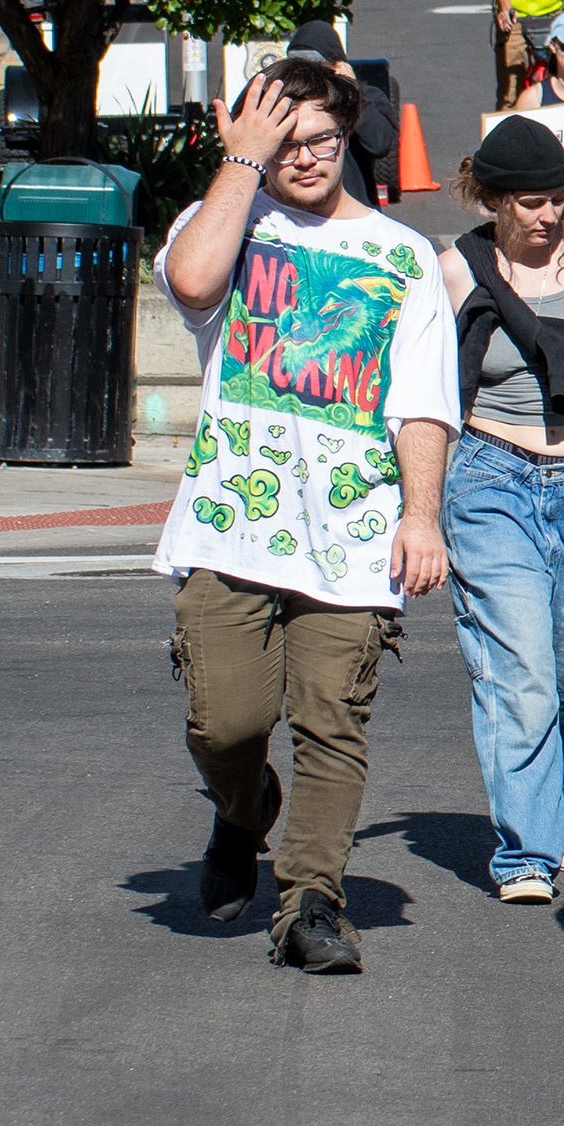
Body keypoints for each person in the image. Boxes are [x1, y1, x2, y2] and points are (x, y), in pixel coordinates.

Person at [156, 55, 459, 974]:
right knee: (227, 726)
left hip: (356, 532)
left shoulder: (399, 255)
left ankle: (311, 902)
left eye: (321, 138)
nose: (305, 157)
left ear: (347, 137)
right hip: (229, 523)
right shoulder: (227, 221)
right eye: (283, 142)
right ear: (250, 141)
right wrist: (238, 166)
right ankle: (243, 811)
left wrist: (421, 516)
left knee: (334, 718)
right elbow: (197, 285)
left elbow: (421, 402)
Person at [436, 114, 564, 905]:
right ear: (491, 201)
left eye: (557, 197)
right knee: (517, 671)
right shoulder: (456, 270)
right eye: (528, 202)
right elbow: (423, 389)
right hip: (492, 478)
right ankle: (525, 851)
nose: (547, 215)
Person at [283, 22, 402, 207]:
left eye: (318, 69)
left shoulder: (367, 97)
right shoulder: (282, 101)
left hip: (352, 209)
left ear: (337, 68)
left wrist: (352, 93)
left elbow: (379, 143)